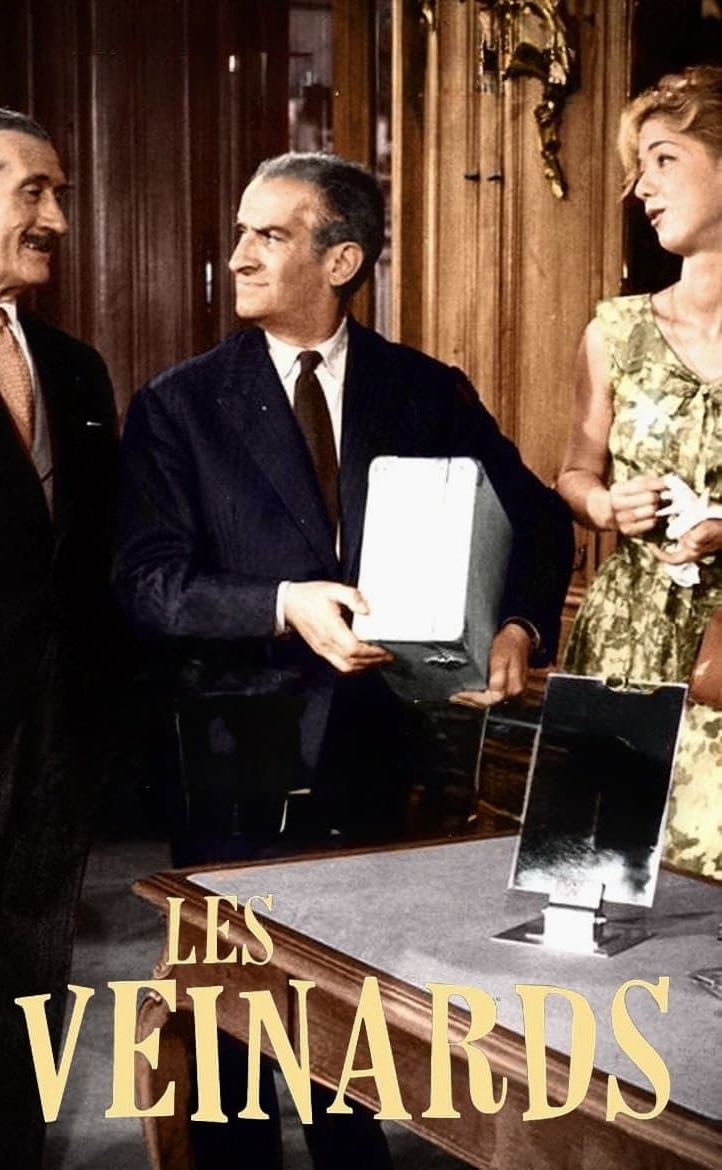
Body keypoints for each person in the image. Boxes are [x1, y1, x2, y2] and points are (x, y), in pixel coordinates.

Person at [114, 151, 573, 1167]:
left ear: (342, 260)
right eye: (242, 231)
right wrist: (285, 605)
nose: (238, 254)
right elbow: (147, 585)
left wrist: (518, 628)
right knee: (233, 1058)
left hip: (380, 752)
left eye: (269, 235)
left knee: (353, 1055)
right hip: (232, 761)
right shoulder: (178, 404)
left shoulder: (425, 390)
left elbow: (540, 524)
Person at [0, 108, 119, 1167]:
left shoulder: (75, 368)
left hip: (57, 740)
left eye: (60, 195)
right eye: (33, 192)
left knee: (27, 993)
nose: (55, 216)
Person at [558, 65, 722, 879]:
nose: (640, 188)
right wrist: (605, 506)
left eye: (664, 160)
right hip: (627, 643)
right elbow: (574, 471)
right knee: (598, 879)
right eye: (637, 167)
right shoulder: (616, 332)